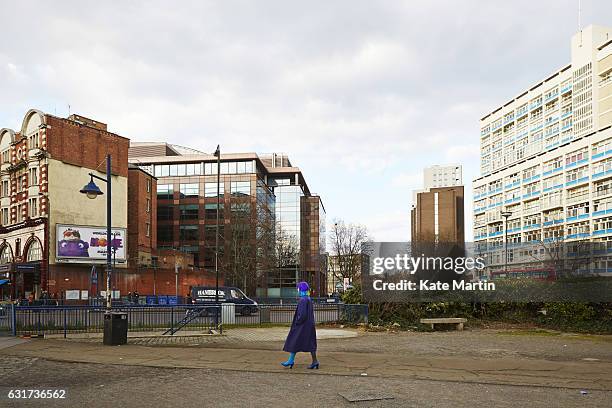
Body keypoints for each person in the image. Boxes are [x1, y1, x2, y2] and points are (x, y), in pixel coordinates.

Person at [281, 281, 319, 369]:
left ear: (300, 289)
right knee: (310, 343)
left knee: (294, 341)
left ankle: (291, 360)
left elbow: (302, 315)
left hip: (302, 326)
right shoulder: (308, 298)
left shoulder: (302, 300)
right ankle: (314, 361)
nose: (297, 290)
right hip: (309, 325)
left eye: (298, 288)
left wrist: (297, 322)